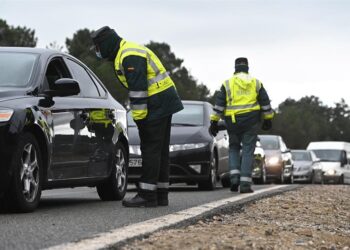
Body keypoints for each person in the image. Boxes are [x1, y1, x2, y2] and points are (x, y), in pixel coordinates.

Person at [91, 26, 183, 207]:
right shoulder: (127, 51)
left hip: (156, 102)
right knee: (160, 151)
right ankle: (161, 194)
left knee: (150, 149)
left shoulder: (128, 55)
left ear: (107, 44)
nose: (98, 52)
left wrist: (139, 118)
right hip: (164, 100)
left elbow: (139, 90)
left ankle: (147, 195)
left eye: (98, 47)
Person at [209, 57, 274, 193]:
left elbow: (219, 104)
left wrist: (214, 121)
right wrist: (268, 118)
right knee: (248, 151)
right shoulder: (256, 83)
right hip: (251, 121)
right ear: (247, 67)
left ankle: (234, 179)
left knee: (233, 148)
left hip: (232, 122)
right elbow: (265, 102)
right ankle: (245, 185)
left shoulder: (227, 83)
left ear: (235, 68)